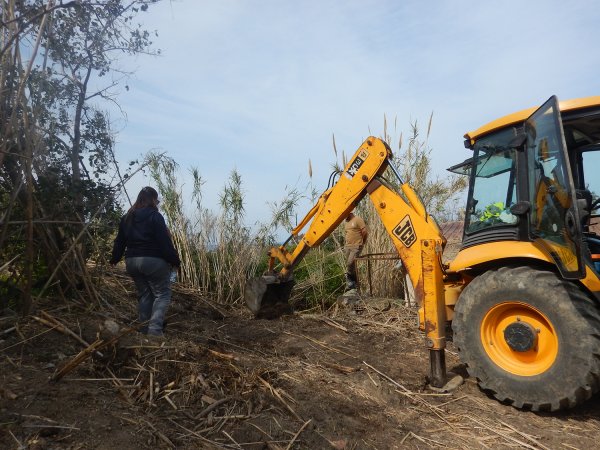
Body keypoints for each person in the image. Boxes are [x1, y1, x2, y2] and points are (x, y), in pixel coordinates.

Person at [110, 187, 180, 338]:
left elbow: (120, 241)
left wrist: (114, 259)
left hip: (132, 262)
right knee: (162, 294)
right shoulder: (155, 217)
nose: (158, 203)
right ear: (153, 200)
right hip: (153, 261)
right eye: (157, 200)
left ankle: (143, 330)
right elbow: (164, 243)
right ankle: (154, 331)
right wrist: (175, 261)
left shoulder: (127, 217)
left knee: (145, 295)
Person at [343, 211, 368, 290]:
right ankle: (354, 283)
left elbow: (364, 231)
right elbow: (347, 233)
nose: (344, 217)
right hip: (348, 246)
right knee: (351, 265)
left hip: (356, 245)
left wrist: (362, 241)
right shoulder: (346, 222)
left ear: (349, 212)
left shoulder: (358, 219)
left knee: (350, 262)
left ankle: (350, 280)